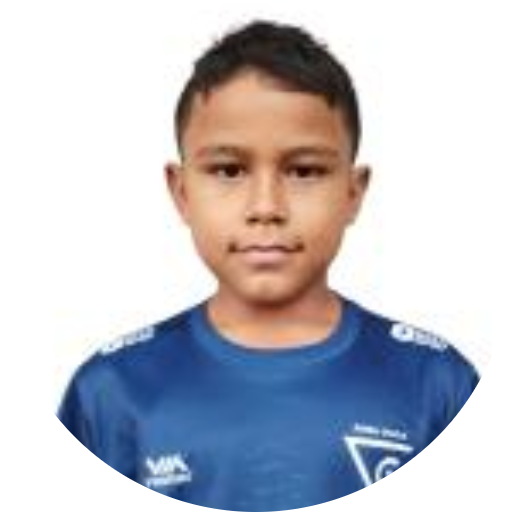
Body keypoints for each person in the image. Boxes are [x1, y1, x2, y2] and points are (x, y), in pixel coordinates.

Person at [58, 20, 480, 509]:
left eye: (304, 171)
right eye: (228, 170)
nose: (265, 207)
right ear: (182, 192)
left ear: (353, 192)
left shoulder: (434, 383)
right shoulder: (112, 391)